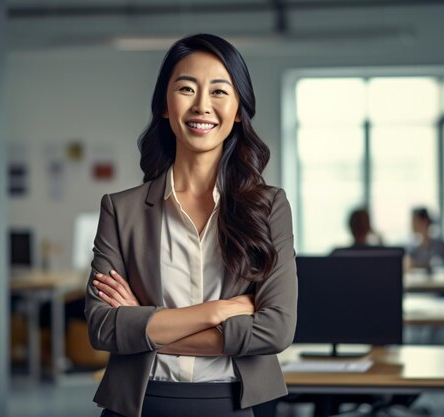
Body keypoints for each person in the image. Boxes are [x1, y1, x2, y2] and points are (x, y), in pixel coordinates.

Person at [84, 34, 297, 417]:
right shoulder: (121, 209)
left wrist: (146, 329)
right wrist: (217, 310)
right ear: (165, 105)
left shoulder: (268, 207)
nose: (202, 105)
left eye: (219, 91)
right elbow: (103, 328)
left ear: (237, 111)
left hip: (234, 402)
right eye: (186, 88)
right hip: (139, 403)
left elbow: (275, 330)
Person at [406, 207, 444, 272]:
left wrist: (420, 265)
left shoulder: (441, 246)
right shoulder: (413, 248)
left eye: (414, 221)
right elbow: (407, 267)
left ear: (424, 221)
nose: (412, 224)